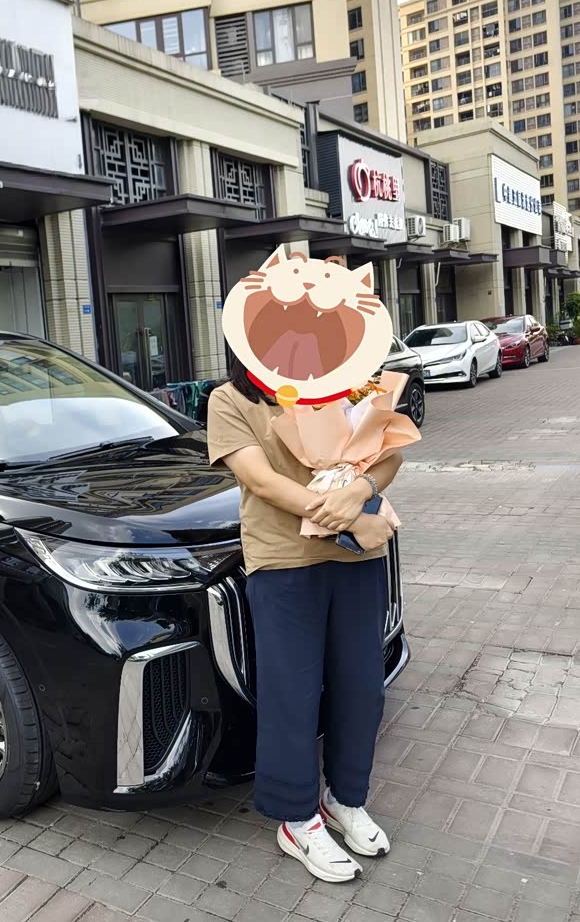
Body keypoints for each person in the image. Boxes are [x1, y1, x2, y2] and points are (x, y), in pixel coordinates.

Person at [207, 351, 402, 883]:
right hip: (284, 562)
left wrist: (360, 494)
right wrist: (349, 520)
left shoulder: (349, 385)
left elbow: (389, 455)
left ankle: (345, 799)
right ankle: (296, 818)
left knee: (361, 686)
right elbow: (262, 481)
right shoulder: (232, 399)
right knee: (292, 693)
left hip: (358, 559)